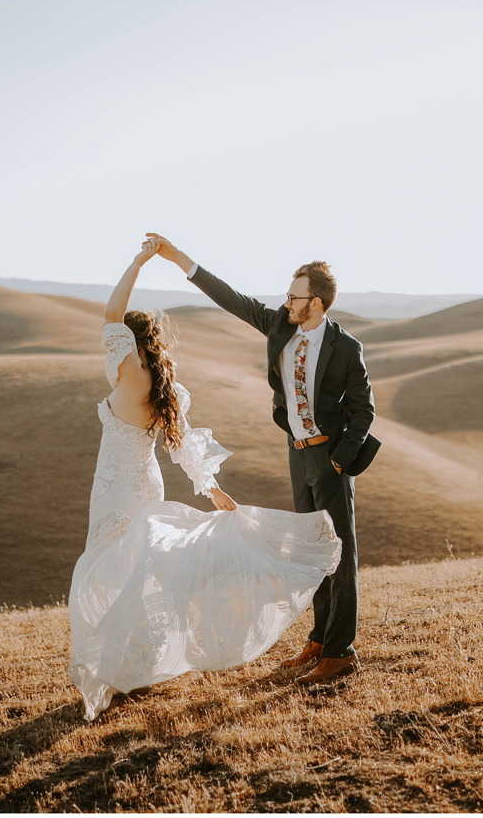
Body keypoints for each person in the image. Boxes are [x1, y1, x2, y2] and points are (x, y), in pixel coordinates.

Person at [67, 238, 342, 720]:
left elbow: (111, 313)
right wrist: (212, 489)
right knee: (142, 571)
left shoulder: (124, 371)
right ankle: (138, 663)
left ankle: (113, 667)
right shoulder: (163, 389)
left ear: (128, 344)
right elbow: (183, 445)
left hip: (114, 487)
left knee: (103, 570)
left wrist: (138, 261)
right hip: (148, 482)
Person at [146, 234, 378, 686]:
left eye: (295, 297)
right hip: (297, 457)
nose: (286, 302)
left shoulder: (346, 348)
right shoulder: (279, 326)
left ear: (317, 303)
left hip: (329, 460)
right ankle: (319, 638)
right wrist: (180, 260)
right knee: (311, 550)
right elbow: (232, 299)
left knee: (340, 553)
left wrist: (339, 460)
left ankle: (340, 652)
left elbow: (364, 410)